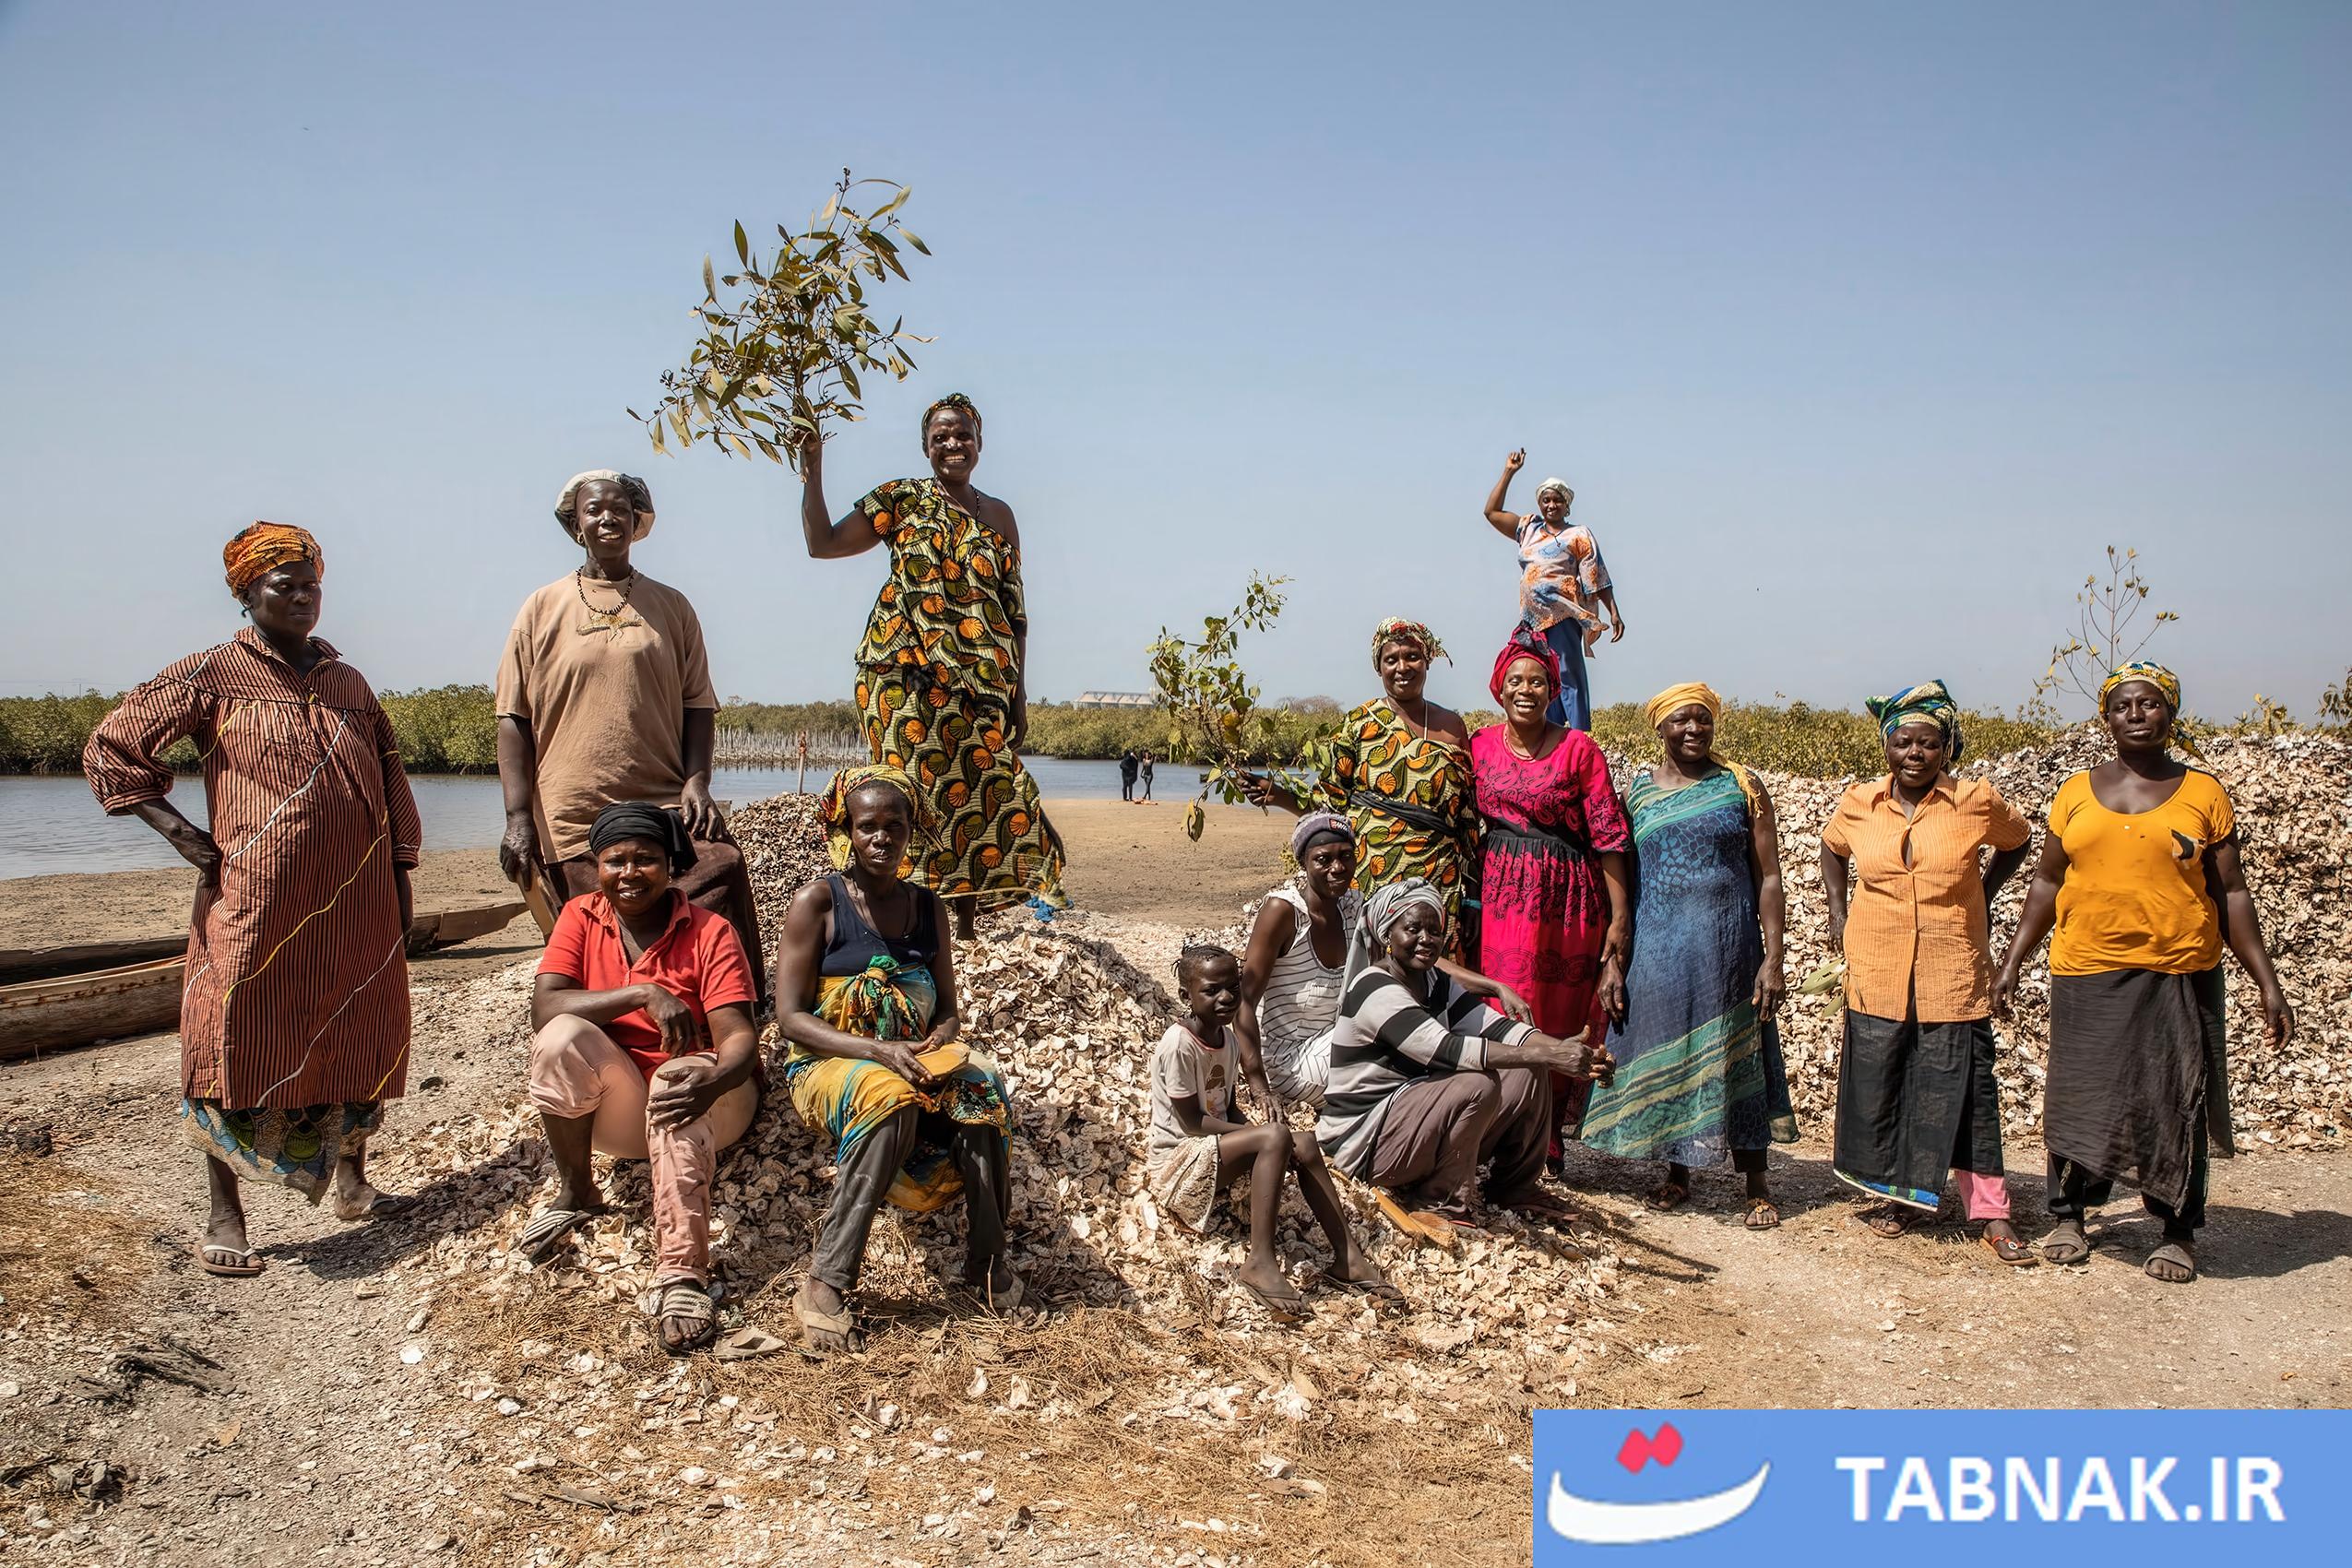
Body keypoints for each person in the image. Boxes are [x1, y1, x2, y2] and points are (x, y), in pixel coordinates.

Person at [84, 523, 419, 1277]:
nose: (303, 598)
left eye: (311, 585)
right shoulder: (212, 675)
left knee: (358, 1030)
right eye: (283, 586)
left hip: (357, 899)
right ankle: (224, 1211)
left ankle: (354, 1182)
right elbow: (112, 745)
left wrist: (399, 881)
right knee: (230, 1035)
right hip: (255, 898)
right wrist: (179, 832)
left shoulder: (349, 684)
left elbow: (392, 782)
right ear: (245, 594)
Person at [1993, 664, 2295, 1283]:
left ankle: (2178, 1228)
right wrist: (2012, 961)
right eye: (2124, 705)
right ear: (2106, 718)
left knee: (2174, 1097)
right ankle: (2070, 1215)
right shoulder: (2075, 792)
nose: (2136, 713)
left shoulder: (2203, 794)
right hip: (2086, 967)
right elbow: (2048, 880)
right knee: (2080, 1095)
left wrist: (2268, 983)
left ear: (2170, 714)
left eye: (2150, 704)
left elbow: (2231, 892)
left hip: (2177, 969)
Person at [795, 394, 1066, 938]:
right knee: (913, 791)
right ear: (925, 448)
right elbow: (822, 545)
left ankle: (961, 927)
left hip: (984, 682)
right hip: (903, 673)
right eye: (940, 437)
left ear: (979, 443)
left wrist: (1018, 698)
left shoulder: (1001, 515)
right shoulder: (902, 499)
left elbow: (1015, 614)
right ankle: (903, 922)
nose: (952, 445)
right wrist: (813, 471)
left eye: (962, 435)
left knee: (985, 791)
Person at [774, 766, 1022, 1352]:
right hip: (828, 1061)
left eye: (895, 826)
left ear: (912, 831)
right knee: (890, 1099)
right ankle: (827, 1280)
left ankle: (986, 1263)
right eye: (868, 826)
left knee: (983, 1089)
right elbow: (790, 1019)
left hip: (913, 1057)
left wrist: (940, 1041)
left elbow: (950, 1010)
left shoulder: (927, 908)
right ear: (847, 832)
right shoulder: (818, 903)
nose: (881, 838)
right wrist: (878, 1049)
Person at [495, 469, 765, 994]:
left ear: (637, 522)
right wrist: (516, 817)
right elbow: (513, 719)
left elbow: (698, 704)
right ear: (576, 527)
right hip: (575, 808)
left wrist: (697, 782)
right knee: (602, 914)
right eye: (593, 510)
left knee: (724, 866)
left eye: (619, 508)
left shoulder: (672, 606)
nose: (607, 518)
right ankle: (630, 1010)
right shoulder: (541, 608)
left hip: (662, 800)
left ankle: (738, 1004)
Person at [521, 802, 760, 1352]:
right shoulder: (581, 916)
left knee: (675, 1076)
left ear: (672, 865)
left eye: (646, 860)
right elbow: (545, 1006)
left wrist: (716, 1080)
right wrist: (643, 993)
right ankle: (577, 1190)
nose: (629, 873)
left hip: (709, 1104)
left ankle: (682, 1273)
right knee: (558, 1038)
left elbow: (739, 1040)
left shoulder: (709, 931)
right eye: (615, 861)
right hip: (624, 1109)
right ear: (597, 867)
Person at [1820, 680, 2037, 1265]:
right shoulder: (1860, 802)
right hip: (1878, 963)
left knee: (1964, 1088)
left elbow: (2018, 842)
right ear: (1886, 746)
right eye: (1903, 742)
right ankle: (1904, 1198)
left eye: (1927, 743)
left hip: (1951, 966)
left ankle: (1991, 1213)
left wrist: (1984, 893)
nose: (1914, 753)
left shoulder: (1974, 801)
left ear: (1946, 748)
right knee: (1888, 1081)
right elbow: (1833, 849)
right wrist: (1839, 911)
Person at [1580, 684, 1800, 1226]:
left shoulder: (1740, 786)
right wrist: (1614, 958)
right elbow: (1621, 881)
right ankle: (1677, 1173)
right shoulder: (1638, 794)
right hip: (1658, 948)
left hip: (1729, 948)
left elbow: (1768, 876)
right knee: (1667, 1050)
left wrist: (1773, 957)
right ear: (1660, 729)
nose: (1693, 730)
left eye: (1702, 720)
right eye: (1681, 721)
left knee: (1740, 1053)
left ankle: (1757, 1183)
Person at [1318, 880, 1611, 1229]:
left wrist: (1566, 1051)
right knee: (1479, 1083)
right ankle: (1439, 1200)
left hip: (1412, 1120)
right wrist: (1550, 1056)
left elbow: (1498, 1029)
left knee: (1528, 1069)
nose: (1426, 939)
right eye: (1412, 929)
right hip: (1366, 1140)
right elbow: (1446, 1049)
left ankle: (1514, 1185)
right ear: (1387, 935)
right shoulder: (1374, 987)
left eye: (1434, 930)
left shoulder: (1434, 982)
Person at [1147, 944, 1396, 1317]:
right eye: (1212, 990)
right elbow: (1192, 1122)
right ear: (1186, 995)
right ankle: (1259, 1263)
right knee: (1276, 1135)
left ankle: (1348, 1257)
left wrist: (1268, 1142)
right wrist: (1264, 1138)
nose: (1226, 997)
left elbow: (1227, 1106)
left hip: (1213, 1150)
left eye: (1233, 987)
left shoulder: (1228, 1041)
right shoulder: (1179, 1044)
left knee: (1304, 1142)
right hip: (1178, 1164)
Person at [1236, 814, 1530, 1115]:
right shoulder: (1284, 912)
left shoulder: (1352, 906)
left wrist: (1495, 987)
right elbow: (1243, 1000)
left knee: (1425, 1002)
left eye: (1346, 857)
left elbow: (1420, 957)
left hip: (1340, 1041)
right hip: (1291, 1060)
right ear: (1304, 863)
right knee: (1408, 1043)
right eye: (1323, 860)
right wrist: (1259, 1086)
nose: (1337, 868)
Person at [1468, 627, 1632, 1159]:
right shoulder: (1480, 745)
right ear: (1499, 687)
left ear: (1552, 689)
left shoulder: (1579, 748)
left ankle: (1548, 1137)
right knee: (1501, 1003)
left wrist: (1619, 915)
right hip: (1500, 896)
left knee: (1559, 1011)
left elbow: (1608, 834)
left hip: (1566, 898)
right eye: (1515, 679)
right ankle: (1497, 1124)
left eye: (1537, 681)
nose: (1526, 689)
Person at [1247, 619, 1481, 952]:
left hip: (1439, 882)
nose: (1403, 667)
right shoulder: (1361, 723)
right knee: (1375, 972)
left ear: (1427, 660)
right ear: (1378, 667)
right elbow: (1329, 803)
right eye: (1391, 659)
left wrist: (1473, 900)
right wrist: (1279, 796)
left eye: (1412, 656)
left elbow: (1467, 821)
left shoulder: (1452, 727)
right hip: (1374, 878)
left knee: (1436, 977)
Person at [1480, 450, 1623, 731]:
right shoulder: (1529, 528)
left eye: (1558, 500)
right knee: (1541, 674)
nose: (1551, 505)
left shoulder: (1578, 534)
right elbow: (1492, 512)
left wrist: (1614, 612)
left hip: (1562, 615)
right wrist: (1509, 472)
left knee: (1569, 674)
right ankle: (1550, 733)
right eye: (1546, 500)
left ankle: (1580, 736)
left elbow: (1597, 576)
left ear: (1567, 506)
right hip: (1532, 619)